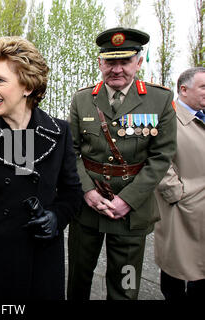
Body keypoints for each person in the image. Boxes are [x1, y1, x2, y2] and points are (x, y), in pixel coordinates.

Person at [0, 36, 83, 300]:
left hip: (42, 257)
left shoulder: (59, 132)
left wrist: (56, 217)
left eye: (0, 80)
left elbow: (72, 193)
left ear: (27, 86)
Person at [67, 27, 177, 300]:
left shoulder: (159, 99)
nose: (117, 69)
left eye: (124, 61)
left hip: (131, 212)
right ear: (100, 63)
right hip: (88, 208)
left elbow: (161, 156)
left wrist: (127, 199)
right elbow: (71, 151)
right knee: (78, 278)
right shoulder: (83, 99)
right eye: (110, 61)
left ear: (138, 62)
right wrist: (88, 192)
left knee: (125, 285)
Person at [154, 67, 205, 300]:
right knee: (175, 265)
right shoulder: (167, 118)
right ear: (183, 90)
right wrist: (178, 195)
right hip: (183, 207)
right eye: (203, 87)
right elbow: (159, 161)